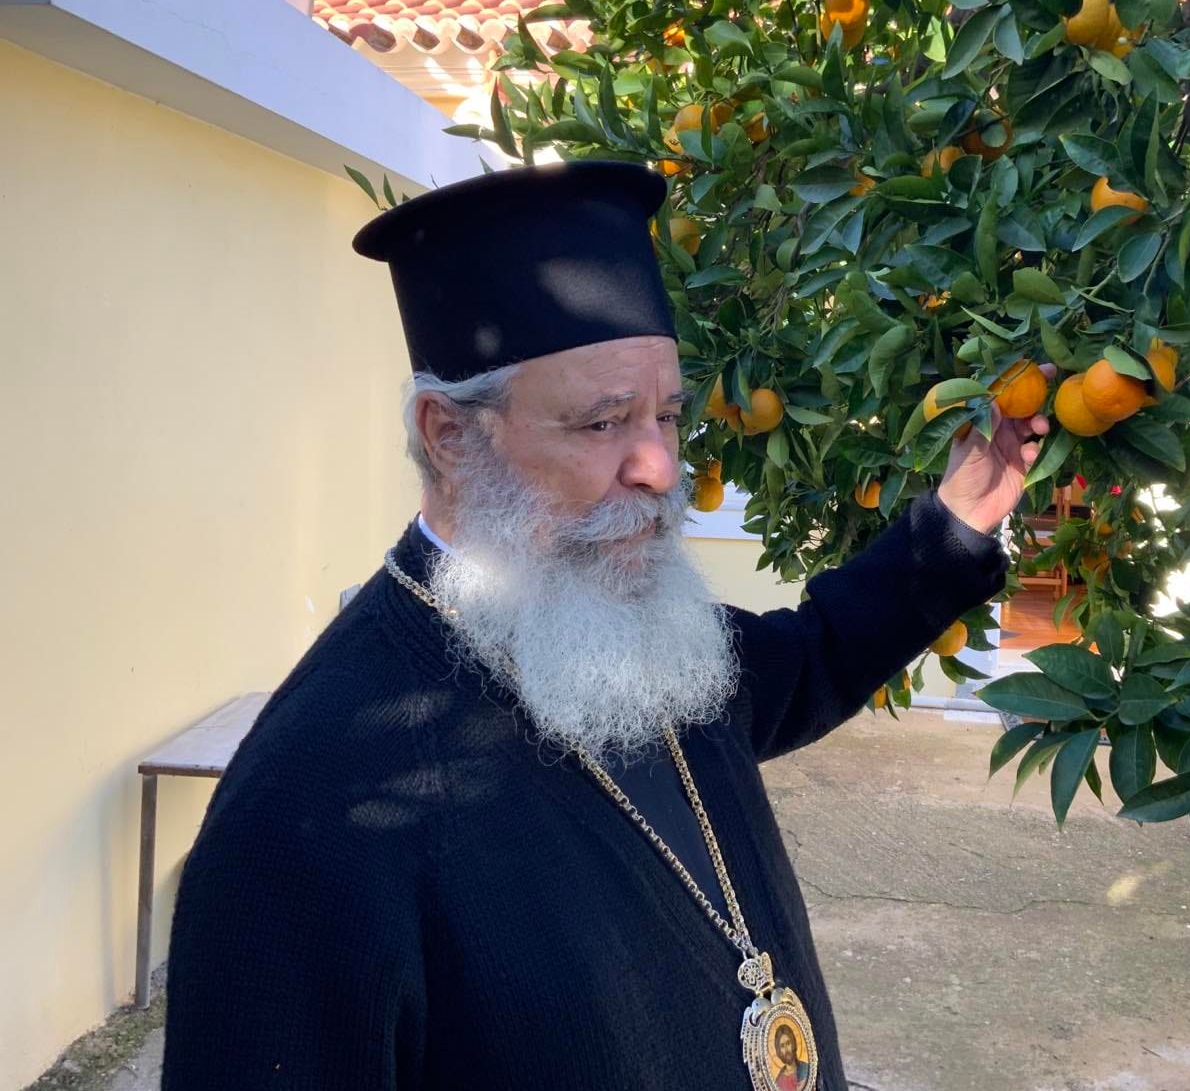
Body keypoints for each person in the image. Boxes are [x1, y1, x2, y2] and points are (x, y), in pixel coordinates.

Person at [161, 161, 1049, 1090]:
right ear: (449, 435)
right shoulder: (308, 810)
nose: (659, 468)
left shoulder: (631, 632)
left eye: (667, 415)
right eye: (602, 424)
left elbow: (813, 657)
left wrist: (957, 522)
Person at [772, 1022, 811, 1090]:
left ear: (793, 1043)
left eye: (788, 1043)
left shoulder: (806, 1068)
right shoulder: (779, 1082)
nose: (786, 1049)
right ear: (779, 1050)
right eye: (782, 1046)